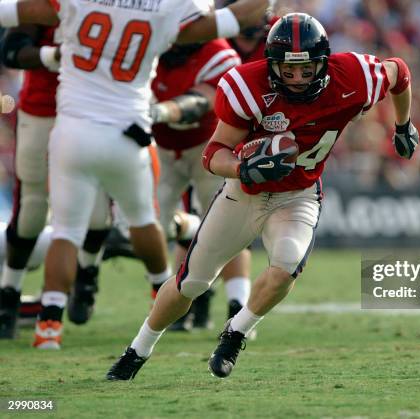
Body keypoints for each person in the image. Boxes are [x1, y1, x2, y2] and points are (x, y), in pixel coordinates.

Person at [106, 12, 419, 380]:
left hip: (298, 195)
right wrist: (242, 168)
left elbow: (399, 72)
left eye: (306, 70)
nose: (299, 79)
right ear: (272, 65)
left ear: (324, 62)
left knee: (286, 265)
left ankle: (235, 333)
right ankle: (138, 349)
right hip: (244, 193)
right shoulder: (247, 84)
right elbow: (213, 153)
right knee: (191, 282)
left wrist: (403, 124)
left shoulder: (354, 75)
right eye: (288, 71)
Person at [0, 0, 271, 349]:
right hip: (129, 131)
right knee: (145, 221)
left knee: (67, 232)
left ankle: (49, 327)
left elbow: (14, 13)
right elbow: (232, 19)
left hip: (73, 129)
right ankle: (161, 292)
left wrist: (52, 52)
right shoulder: (163, 9)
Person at [0, 23, 110, 338]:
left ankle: (86, 274)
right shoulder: (43, 8)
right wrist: (57, 53)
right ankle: (9, 292)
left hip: (96, 111)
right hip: (42, 107)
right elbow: (11, 51)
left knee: (98, 207)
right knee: (32, 207)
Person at [151, 40, 252, 331]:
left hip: (209, 148)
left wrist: (157, 112)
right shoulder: (147, 39)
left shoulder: (217, 51)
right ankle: (190, 232)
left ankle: (237, 305)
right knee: (152, 226)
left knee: (231, 227)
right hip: (160, 148)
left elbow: (199, 102)